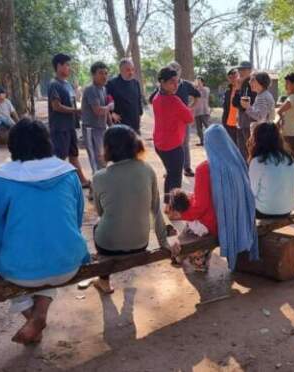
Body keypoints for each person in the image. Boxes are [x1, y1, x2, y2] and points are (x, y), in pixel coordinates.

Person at [0, 119, 90, 345]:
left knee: (15, 270)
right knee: (49, 256)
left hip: (21, 271)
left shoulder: (1, 179)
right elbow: (74, 221)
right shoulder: (69, 173)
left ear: (12, 145)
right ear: (48, 142)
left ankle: (33, 317)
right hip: (67, 263)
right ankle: (39, 315)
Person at [89, 125, 180, 292]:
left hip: (107, 246)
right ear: (135, 145)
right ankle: (104, 278)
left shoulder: (98, 177)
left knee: (98, 223)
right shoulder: (147, 169)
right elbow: (156, 209)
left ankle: (104, 281)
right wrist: (163, 242)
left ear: (108, 148)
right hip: (140, 243)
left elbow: (101, 213)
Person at [166, 124, 258, 271]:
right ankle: (195, 255)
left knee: (190, 227)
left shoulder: (204, 169)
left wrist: (182, 215)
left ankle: (196, 255)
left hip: (216, 225)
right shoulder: (238, 163)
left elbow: (200, 207)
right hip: (238, 220)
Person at [149, 62, 201, 177]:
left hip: (182, 121)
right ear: (163, 82)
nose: (175, 71)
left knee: (184, 144)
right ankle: (171, 170)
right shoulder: (161, 92)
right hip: (168, 129)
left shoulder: (186, 84)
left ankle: (186, 167)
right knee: (174, 172)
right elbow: (151, 100)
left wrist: (190, 108)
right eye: (172, 69)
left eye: (177, 69)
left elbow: (197, 95)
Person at [48, 53, 90, 187]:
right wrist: (76, 111)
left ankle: (82, 181)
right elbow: (56, 106)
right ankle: (52, 184)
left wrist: (78, 113)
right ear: (59, 66)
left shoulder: (67, 84)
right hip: (60, 127)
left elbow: (71, 103)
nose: (69, 68)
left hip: (70, 126)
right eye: (67, 65)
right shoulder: (54, 84)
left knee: (73, 154)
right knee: (59, 157)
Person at [152, 67, 193, 204]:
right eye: (172, 82)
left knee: (170, 174)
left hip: (159, 144)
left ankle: (168, 204)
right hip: (173, 146)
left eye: (177, 82)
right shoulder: (174, 100)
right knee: (175, 179)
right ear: (162, 82)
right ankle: (174, 209)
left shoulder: (156, 97)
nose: (176, 85)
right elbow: (189, 118)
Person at [248, 122, 294, 217]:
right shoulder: (290, 159)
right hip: (288, 209)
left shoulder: (257, 162)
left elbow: (251, 192)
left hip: (264, 211)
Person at [81, 61, 114, 174]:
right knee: (96, 161)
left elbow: (105, 112)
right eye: (101, 73)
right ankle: (96, 188)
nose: (104, 76)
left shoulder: (103, 89)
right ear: (93, 75)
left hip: (101, 129)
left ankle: (101, 186)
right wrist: (110, 106)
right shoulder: (91, 90)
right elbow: (98, 111)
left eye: (105, 73)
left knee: (103, 159)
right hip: (91, 129)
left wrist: (112, 127)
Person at [106, 58, 144, 134]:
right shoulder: (112, 84)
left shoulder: (135, 83)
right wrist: (111, 113)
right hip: (120, 124)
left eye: (132, 69)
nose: (131, 72)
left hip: (135, 124)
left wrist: (139, 114)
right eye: (128, 70)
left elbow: (138, 100)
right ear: (121, 70)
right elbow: (105, 100)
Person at [232, 61, 256, 159]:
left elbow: (245, 104)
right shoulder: (241, 84)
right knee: (242, 149)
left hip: (249, 122)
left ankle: (250, 172)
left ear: (250, 70)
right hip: (242, 122)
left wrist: (240, 103)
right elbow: (235, 103)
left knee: (249, 149)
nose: (240, 72)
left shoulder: (252, 84)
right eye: (239, 69)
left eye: (243, 69)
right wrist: (237, 89)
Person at [221, 68, 240, 141]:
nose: (233, 79)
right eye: (230, 78)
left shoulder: (244, 89)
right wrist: (224, 122)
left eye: (235, 77)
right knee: (232, 146)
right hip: (229, 123)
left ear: (238, 76)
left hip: (240, 124)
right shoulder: (227, 92)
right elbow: (225, 108)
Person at [193, 76, 211, 146]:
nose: (198, 82)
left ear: (203, 82)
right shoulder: (195, 90)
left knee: (208, 127)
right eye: (197, 81)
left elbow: (203, 92)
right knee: (199, 129)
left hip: (204, 111)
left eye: (199, 81)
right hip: (197, 112)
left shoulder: (206, 89)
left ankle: (211, 141)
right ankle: (202, 141)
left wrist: (197, 86)